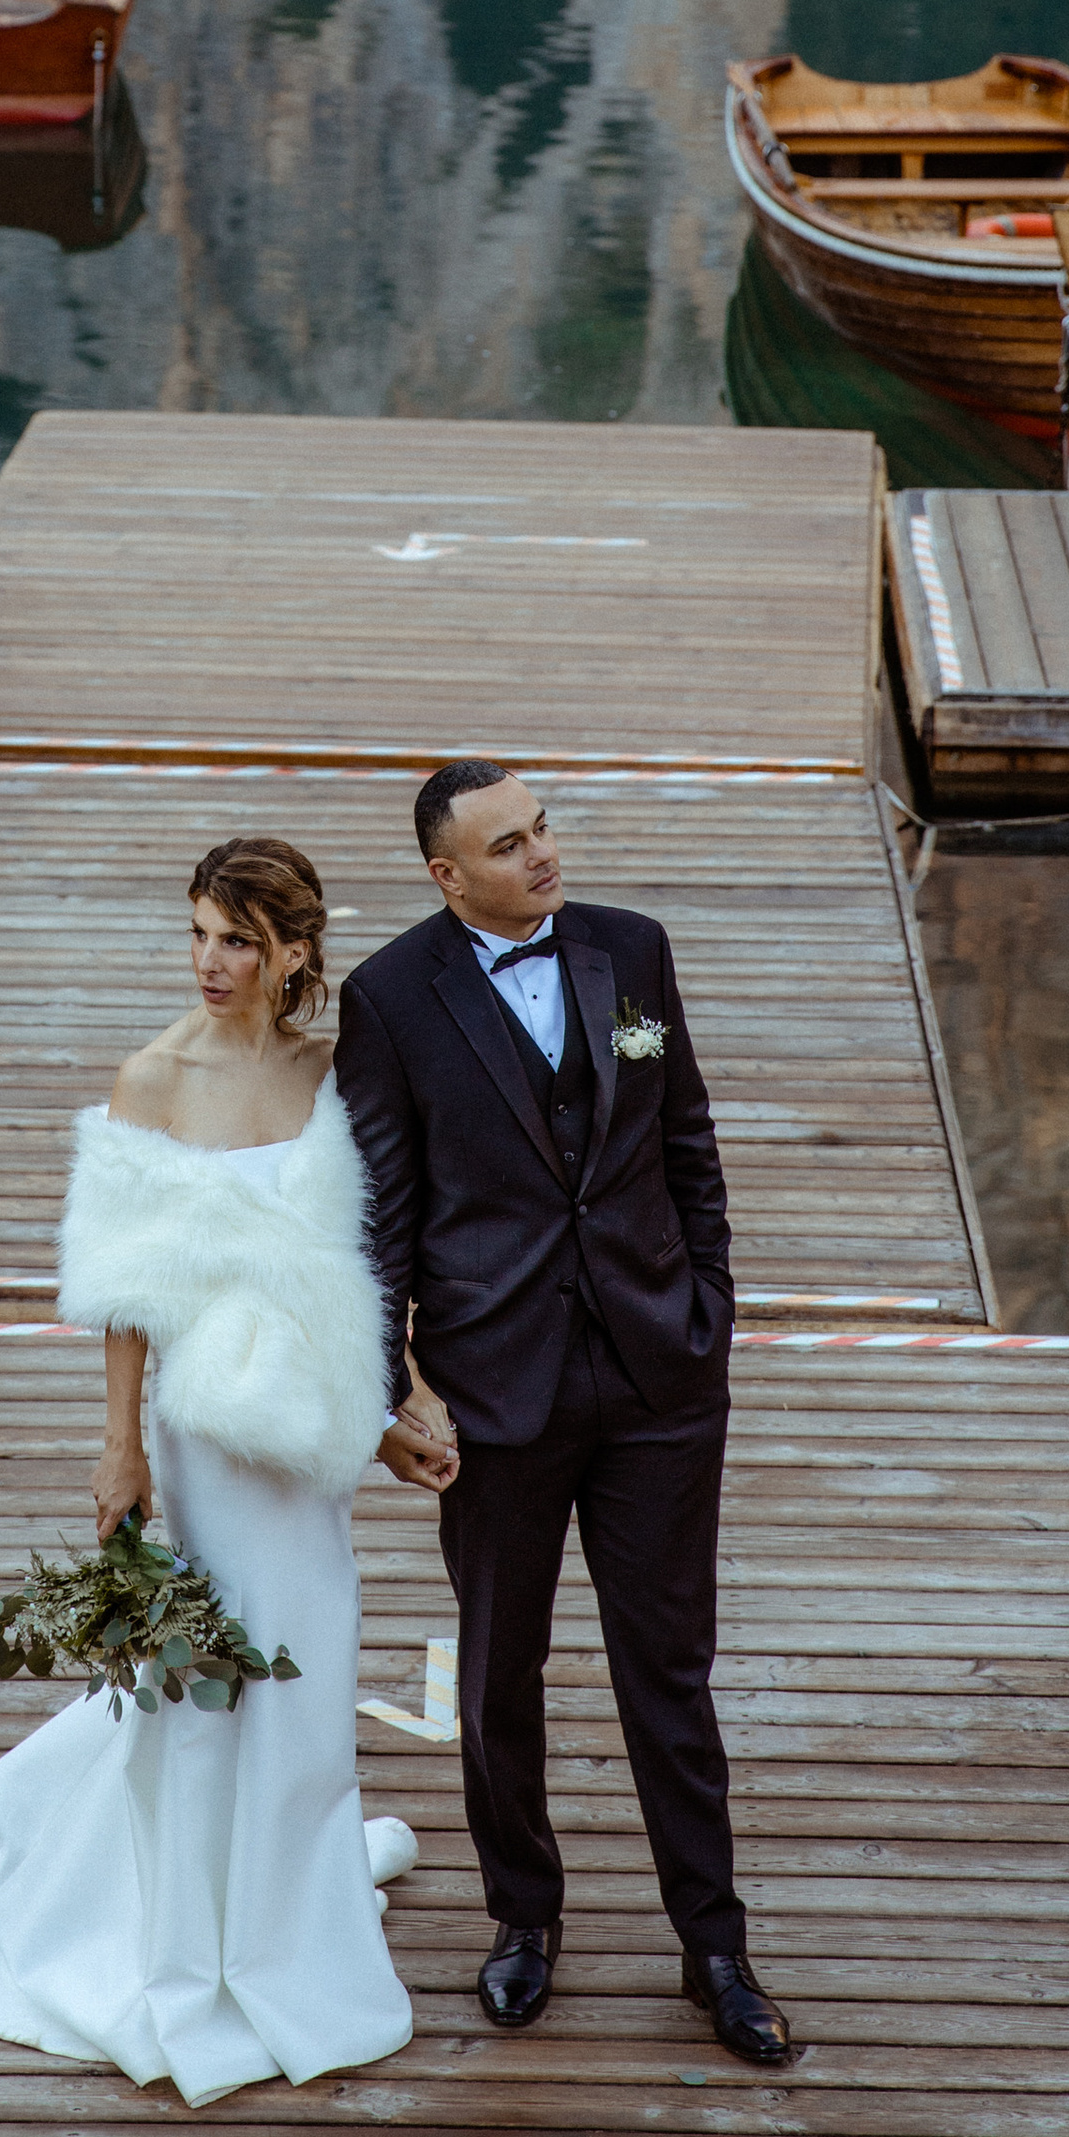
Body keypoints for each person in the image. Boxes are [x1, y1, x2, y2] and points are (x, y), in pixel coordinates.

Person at [0, 834, 454, 2103]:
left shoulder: (336, 1076)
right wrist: (118, 1444)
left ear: (295, 953)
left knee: (310, 1661)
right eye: (199, 932)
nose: (212, 961)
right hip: (203, 1435)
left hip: (308, 1434)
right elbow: (124, 1294)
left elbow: (362, 1270)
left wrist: (394, 1403)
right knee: (205, 1675)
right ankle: (193, 1944)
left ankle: (289, 1907)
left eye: (240, 940)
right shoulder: (150, 1079)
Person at [333, 759, 792, 2068]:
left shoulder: (628, 956)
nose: (544, 854)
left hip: (659, 1377)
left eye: (544, 829)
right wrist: (390, 1391)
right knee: (498, 1678)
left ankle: (716, 1947)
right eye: (510, 842)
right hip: (495, 1398)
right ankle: (523, 1920)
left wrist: (708, 1307)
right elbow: (382, 1223)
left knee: (672, 1675)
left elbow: (677, 1128)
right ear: (446, 874)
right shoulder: (392, 1001)